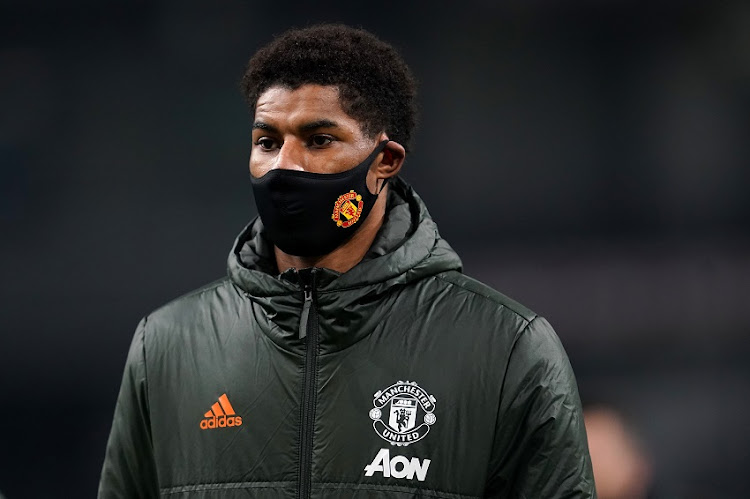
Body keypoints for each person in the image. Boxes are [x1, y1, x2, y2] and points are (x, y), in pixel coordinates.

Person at [99, 24, 595, 498]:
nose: (284, 167)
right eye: (267, 142)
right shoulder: (166, 345)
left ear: (386, 161)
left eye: (319, 140)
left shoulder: (506, 347)